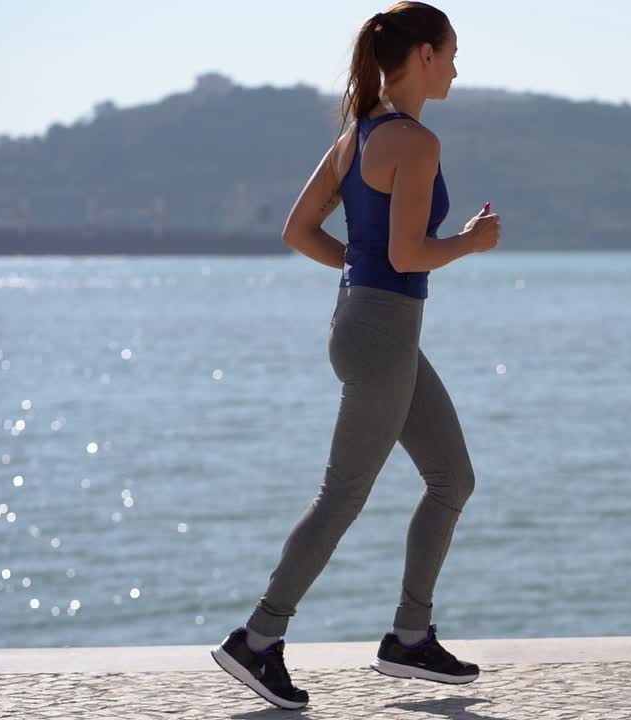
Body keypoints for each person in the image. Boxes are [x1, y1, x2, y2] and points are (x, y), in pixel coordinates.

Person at [209, 2, 501, 709]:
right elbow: (408, 252)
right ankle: (258, 640)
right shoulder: (414, 142)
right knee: (343, 495)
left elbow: (298, 230)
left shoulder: (358, 133)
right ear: (423, 55)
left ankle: (409, 637)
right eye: (453, 51)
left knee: (451, 478)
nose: (458, 66)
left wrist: (360, 269)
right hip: (381, 334)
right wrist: (470, 241)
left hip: (369, 326)